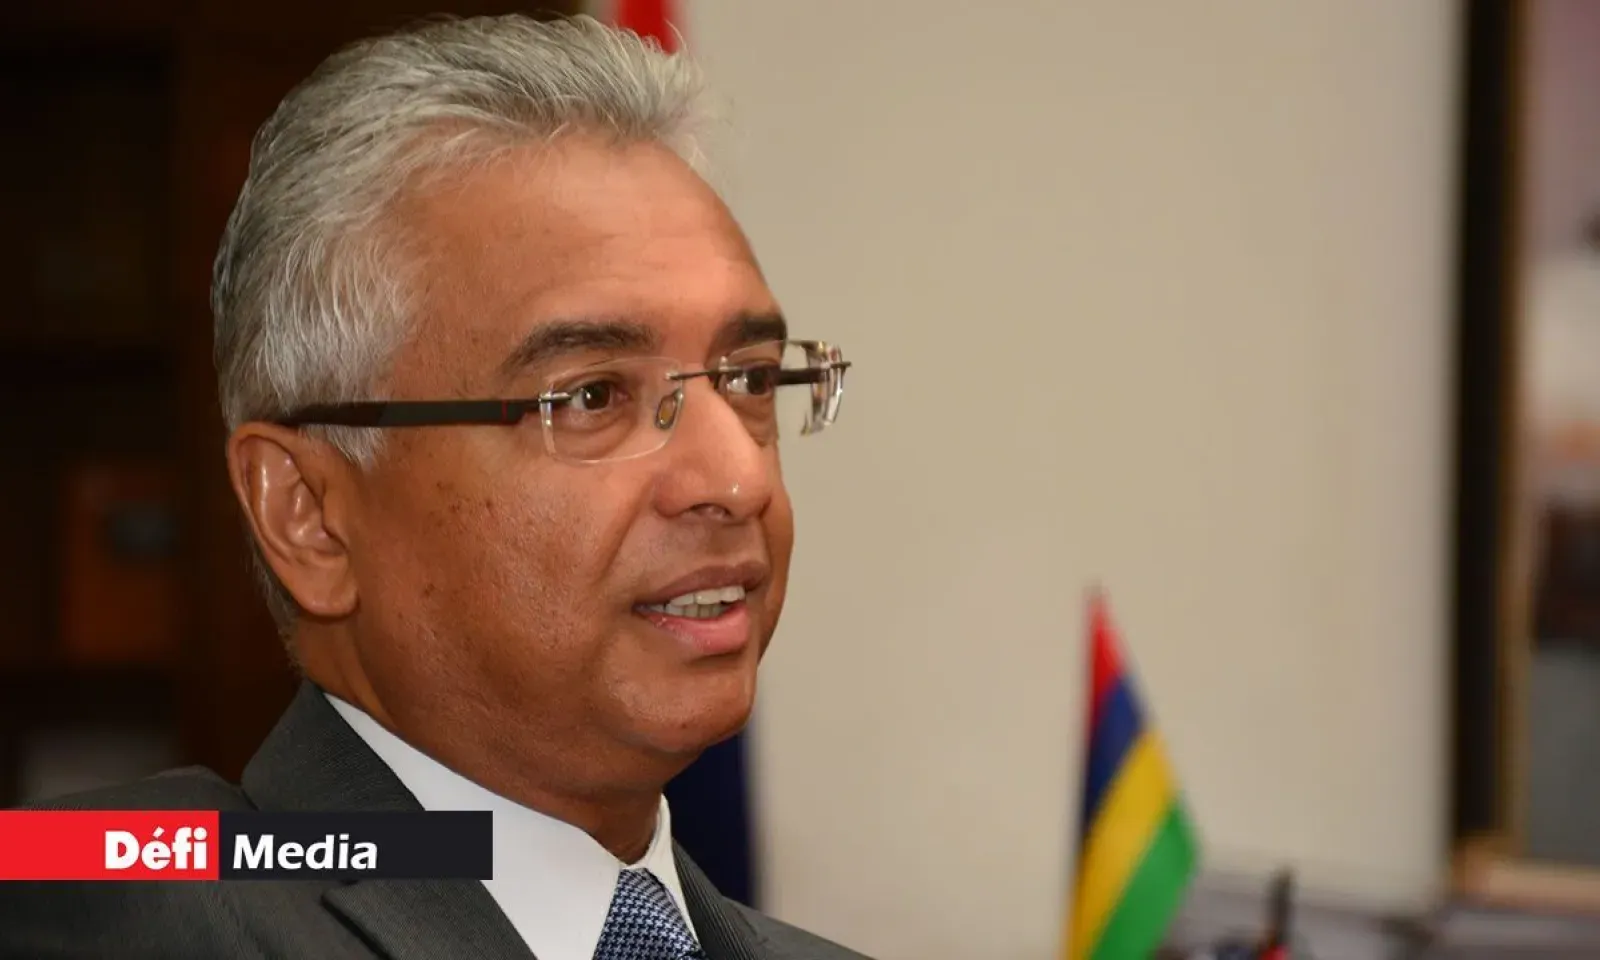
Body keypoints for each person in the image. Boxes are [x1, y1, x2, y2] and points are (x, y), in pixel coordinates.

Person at [0, 14, 863, 960]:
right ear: (310, 515)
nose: (738, 478)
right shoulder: (104, 906)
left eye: (749, 379)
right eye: (591, 396)